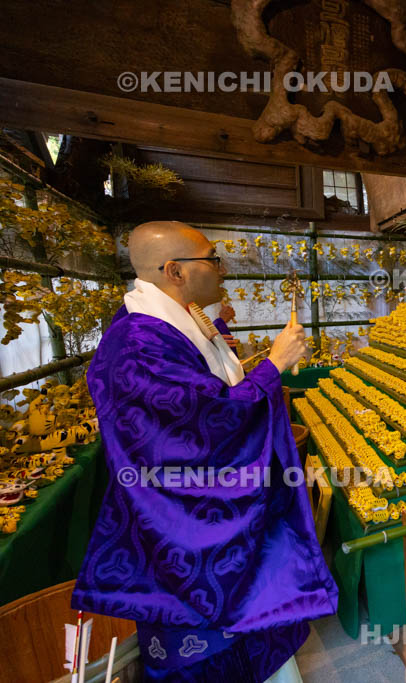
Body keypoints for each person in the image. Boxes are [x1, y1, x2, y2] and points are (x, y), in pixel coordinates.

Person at [71, 222, 337, 682]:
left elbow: (203, 390)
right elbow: (207, 424)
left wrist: (224, 348)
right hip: (182, 518)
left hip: (187, 501)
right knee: (208, 644)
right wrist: (273, 365)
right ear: (174, 270)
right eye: (212, 259)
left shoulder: (176, 321)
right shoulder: (138, 345)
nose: (222, 268)